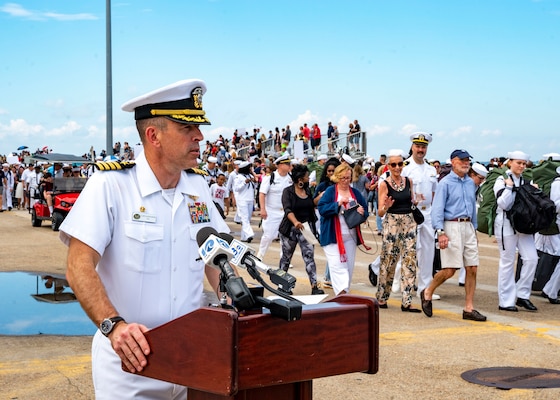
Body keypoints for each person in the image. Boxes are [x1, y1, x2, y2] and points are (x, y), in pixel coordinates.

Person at [60, 79, 229, 399]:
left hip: (191, 362)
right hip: (131, 368)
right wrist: (114, 326)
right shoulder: (111, 185)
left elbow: (214, 257)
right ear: (154, 136)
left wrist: (233, 299)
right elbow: (78, 265)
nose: (200, 137)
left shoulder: (198, 187)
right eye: (186, 128)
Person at [421, 149, 487, 322]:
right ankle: (428, 291)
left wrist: (474, 229)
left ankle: (469, 308)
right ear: (453, 161)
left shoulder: (469, 183)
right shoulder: (445, 183)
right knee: (450, 270)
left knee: (472, 267)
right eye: (462, 160)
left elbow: (472, 207)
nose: (466, 164)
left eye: (468, 161)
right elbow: (437, 209)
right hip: (451, 225)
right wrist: (441, 232)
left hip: (467, 226)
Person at [375, 149, 420, 312]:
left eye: (400, 164)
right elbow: (380, 212)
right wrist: (385, 207)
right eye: (393, 164)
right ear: (388, 166)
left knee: (410, 260)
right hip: (392, 223)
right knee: (389, 261)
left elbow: (412, 200)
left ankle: (407, 301)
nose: (397, 167)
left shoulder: (409, 181)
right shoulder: (384, 184)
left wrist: (416, 201)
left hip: (409, 222)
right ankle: (382, 297)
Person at [493, 151, 539, 312]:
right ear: (510, 162)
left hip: (523, 225)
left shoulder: (527, 181)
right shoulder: (501, 179)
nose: (521, 166)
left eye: (524, 164)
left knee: (532, 258)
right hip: (506, 224)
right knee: (507, 262)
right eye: (518, 163)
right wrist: (509, 187)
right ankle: (505, 300)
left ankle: (522, 295)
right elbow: (503, 204)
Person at [318, 163, 369, 295]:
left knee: (348, 268)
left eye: (348, 178)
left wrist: (361, 211)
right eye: (343, 178)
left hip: (350, 236)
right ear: (337, 177)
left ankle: (344, 294)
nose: (346, 181)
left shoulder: (355, 193)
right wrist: (338, 204)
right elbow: (322, 208)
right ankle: (342, 294)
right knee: (338, 267)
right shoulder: (330, 191)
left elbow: (366, 211)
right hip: (332, 236)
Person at [401, 133, 438, 299]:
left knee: (428, 250)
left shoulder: (431, 169)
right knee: (410, 249)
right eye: (418, 146)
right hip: (411, 211)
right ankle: (401, 281)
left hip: (428, 211)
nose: (421, 149)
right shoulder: (405, 167)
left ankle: (424, 288)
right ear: (412, 147)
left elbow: (434, 193)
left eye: (423, 147)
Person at [278, 164, 324, 295]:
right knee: (286, 258)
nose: (308, 178)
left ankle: (314, 286)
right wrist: (295, 222)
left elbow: (310, 205)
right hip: (290, 229)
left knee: (309, 257)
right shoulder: (288, 192)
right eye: (306, 176)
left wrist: (319, 198)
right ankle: (282, 285)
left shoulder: (307, 190)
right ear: (300, 179)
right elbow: (288, 210)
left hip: (306, 229)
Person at [257, 155, 293, 258]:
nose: (289, 166)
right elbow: (262, 194)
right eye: (287, 164)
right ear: (280, 165)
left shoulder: (290, 178)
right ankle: (260, 255)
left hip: (286, 212)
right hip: (272, 211)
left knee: (285, 236)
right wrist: (263, 209)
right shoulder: (270, 178)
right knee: (269, 236)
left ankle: (284, 258)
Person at [313, 157, 342, 288]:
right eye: (329, 171)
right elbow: (314, 202)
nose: (331, 173)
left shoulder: (343, 185)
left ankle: (329, 276)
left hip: (341, 220)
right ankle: (328, 276)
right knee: (331, 247)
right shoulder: (323, 186)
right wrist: (321, 196)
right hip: (326, 219)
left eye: (333, 171)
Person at [233, 161, 256, 242]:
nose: (250, 169)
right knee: (245, 218)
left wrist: (254, 181)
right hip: (242, 200)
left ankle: (244, 237)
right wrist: (244, 182)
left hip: (250, 199)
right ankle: (249, 234)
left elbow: (253, 187)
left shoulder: (249, 175)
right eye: (249, 167)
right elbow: (236, 188)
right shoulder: (238, 177)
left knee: (247, 219)